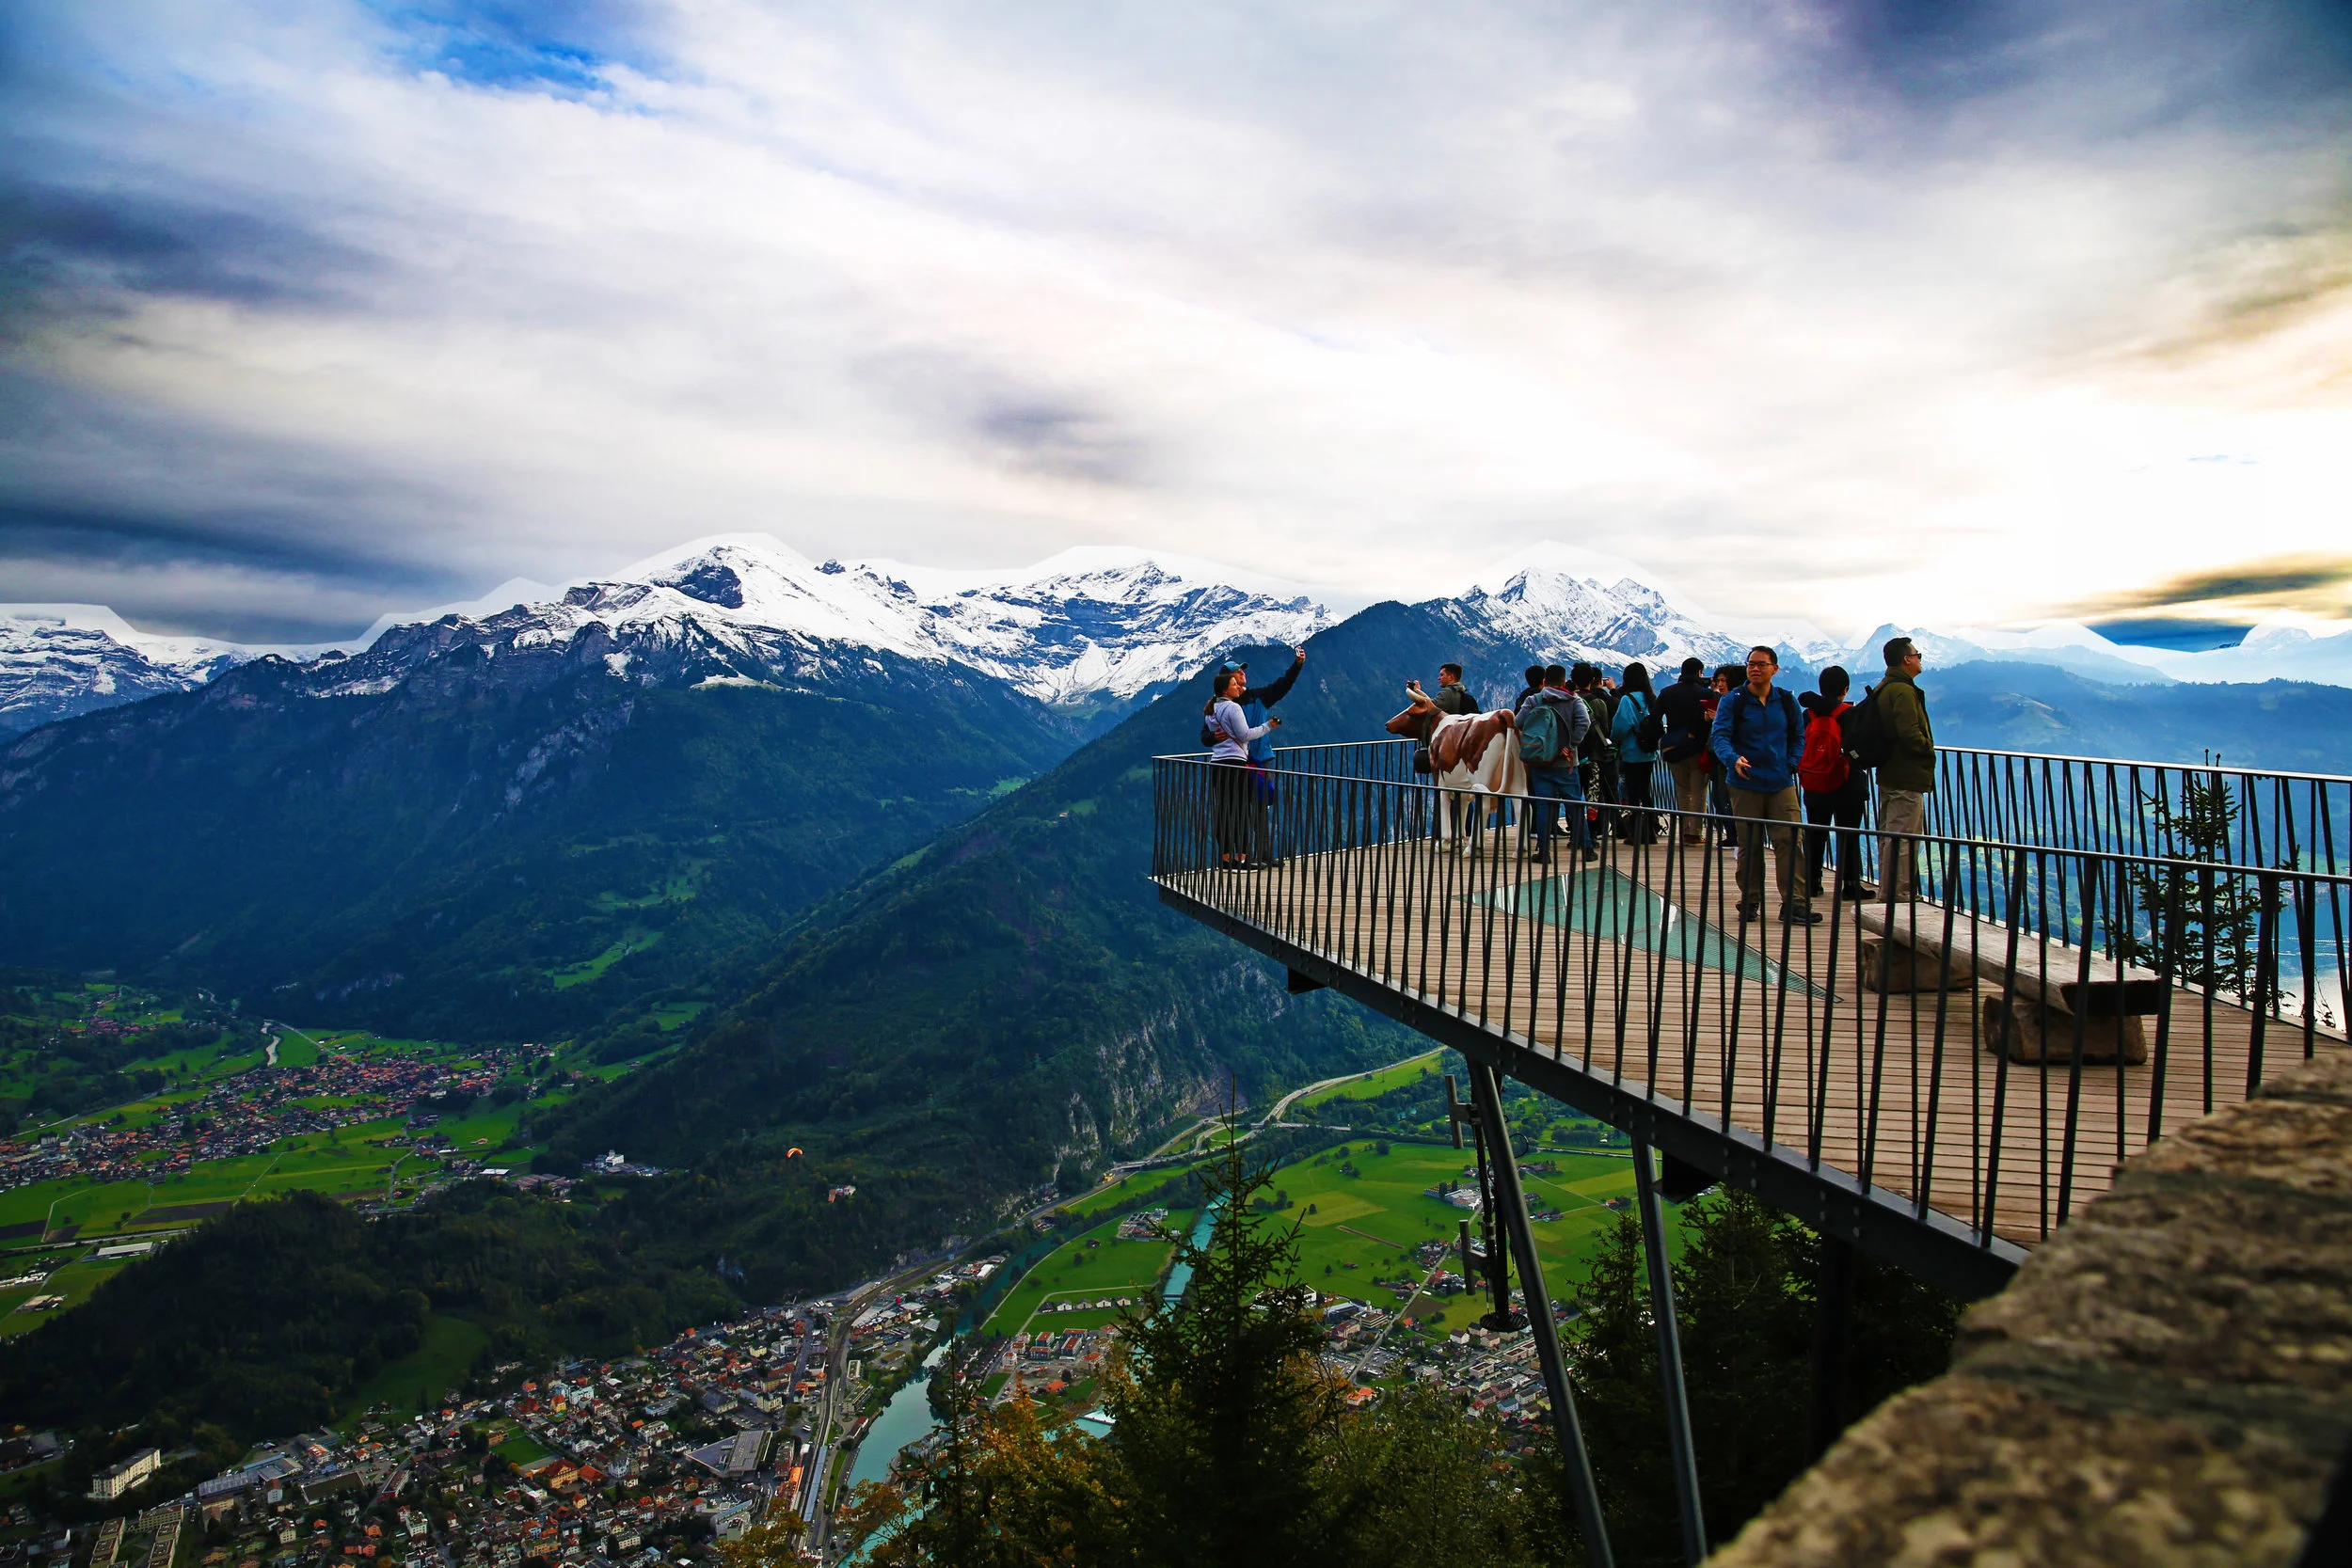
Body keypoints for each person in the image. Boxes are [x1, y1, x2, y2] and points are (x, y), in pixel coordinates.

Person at [1709, 645, 1815, 924]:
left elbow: (1798, 736)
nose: (1755, 668)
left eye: (1761, 664)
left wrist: (1791, 762)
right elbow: (1719, 735)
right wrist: (1733, 759)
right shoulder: (1734, 700)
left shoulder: (1786, 700)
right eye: (1751, 664)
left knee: (1790, 840)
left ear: (1774, 669)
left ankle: (1795, 903)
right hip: (1745, 782)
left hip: (1781, 780)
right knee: (1750, 843)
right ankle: (1750, 900)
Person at [1222, 647, 1306, 863]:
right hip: (1241, 762)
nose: (1242, 674)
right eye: (1237, 673)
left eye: (1242, 672)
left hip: (1259, 760)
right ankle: (1247, 856)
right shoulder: (1225, 704)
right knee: (1242, 808)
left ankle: (1264, 855)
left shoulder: (1257, 696)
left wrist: (1297, 666)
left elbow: (1282, 685)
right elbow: (1207, 735)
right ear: (1228, 680)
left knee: (1259, 807)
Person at [1797, 666, 1873, 899]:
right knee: (1848, 833)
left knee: (1816, 831)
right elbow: (1860, 746)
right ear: (1845, 689)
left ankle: (1812, 881)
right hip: (1846, 782)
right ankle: (1850, 884)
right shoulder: (1849, 714)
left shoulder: (1807, 714)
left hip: (1814, 780)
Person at [1876, 636, 1934, 901]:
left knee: (1889, 835)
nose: (1920, 658)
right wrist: (1927, 749)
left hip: (1889, 771)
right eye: (1917, 654)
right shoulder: (1902, 690)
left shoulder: (1885, 686)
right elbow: (1909, 732)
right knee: (1903, 837)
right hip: (1906, 774)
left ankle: (1888, 890)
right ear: (1906, 659)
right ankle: (1897, 894)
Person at [1517, 664, 1592, 863]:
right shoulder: (1574, 700)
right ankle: (1588, 849)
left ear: (1544, 681)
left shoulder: (1534, 700)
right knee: (1575, 805)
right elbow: (1585, 723)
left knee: (1543, 807)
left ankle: (1543, 852)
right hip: (1566, 763)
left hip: (1540, 762)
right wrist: (1571, 745)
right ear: (1564, 679)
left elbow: (1518, 723)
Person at [1205, 668, 1279, 868]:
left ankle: (1226, 858)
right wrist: (1268, 726)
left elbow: (1211, 735)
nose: (1239, 687)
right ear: (1225, 690)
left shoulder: (1212, 709)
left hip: (1217, 764)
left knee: (1224, 811)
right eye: (1234, 685)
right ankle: (1242, 858)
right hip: (1236, 764)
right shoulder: (1233, 708)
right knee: (1239, 810)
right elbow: (1244, 735)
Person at [1655, 657, 1713, 846]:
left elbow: (1655, 717)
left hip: (1674, 747)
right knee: (1699, 791)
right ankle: (1694, 833)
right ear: (1699, 673)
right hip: (1697, 748)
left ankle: (1684, 831)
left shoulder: (1667, 692)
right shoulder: (1706, 694)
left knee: (1682, 790)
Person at [1612, 662, 1661, 844]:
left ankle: (1635, 834)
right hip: (1649, 752)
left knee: (1633, 794)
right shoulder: (1652, 698)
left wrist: (1615, 737)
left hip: (1632, 751)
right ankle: (1650, 833)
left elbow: (1620, 727)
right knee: (1645, 792)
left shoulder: (1627, 700)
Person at [1573, 663, 1618, 847]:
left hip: (1573, 756)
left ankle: (1575, 832)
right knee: (1593, 795)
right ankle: (1592, 833)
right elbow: (1605, 730)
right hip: (1594, 757)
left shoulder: (1569, 700)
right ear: (1593, 681)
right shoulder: (1598, 703)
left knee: (1573, 795)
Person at [1708, 666, 1742, 846]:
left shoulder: (1735, 702)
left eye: (1723, 681)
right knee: (1719, 797)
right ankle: (1732, 834)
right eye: (1718, 681)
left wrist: (1716, 721)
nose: (1720, 685)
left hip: (1730, 759)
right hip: (1718, 757)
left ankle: (1735, 835)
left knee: (1725, 797)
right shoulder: (1724, 700)